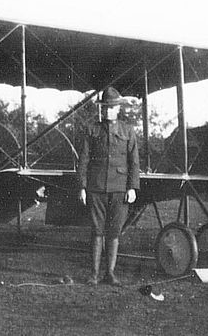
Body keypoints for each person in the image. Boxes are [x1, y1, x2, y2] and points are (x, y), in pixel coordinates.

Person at [77, 87, 139, 286]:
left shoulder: (128, 131)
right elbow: (84, 160)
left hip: (120, 189)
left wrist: (132, 187)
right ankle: (94, 275)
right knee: (97, 231)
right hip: (96, 188)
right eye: (105, 107)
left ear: (118, 108)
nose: (108, 111)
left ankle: (110, 274)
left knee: (114, 232)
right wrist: (82, 187)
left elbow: (134, 162)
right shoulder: (91, 129)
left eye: (111, 107)